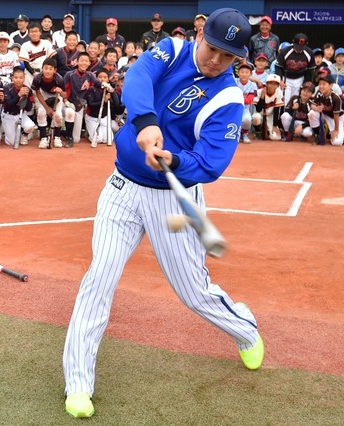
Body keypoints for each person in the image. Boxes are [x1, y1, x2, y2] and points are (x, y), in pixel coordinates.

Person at [62, 8, 263, 419]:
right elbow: (136, 80)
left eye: (228, 57)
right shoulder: (171, 50)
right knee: (99, 277)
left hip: (173, 199)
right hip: (121, 187)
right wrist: (146, 121)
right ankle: (78, 384)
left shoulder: (227, 96)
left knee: (194, 293)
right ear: (200, 32)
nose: (216, 61)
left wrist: (174, 161)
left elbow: (212, 162)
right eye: (212, 49)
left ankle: (245, 330)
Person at [63, 51, 99, 145]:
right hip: (68, 104)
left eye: (86, 61)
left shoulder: (90, 75)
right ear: (77, 62)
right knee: (70, 113)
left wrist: (105, 85)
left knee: (77, 140)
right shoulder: (69, 74)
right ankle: (68, 138)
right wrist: (66, 101)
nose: (84, 63)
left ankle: (66, 133)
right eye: (82, 60)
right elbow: (64, 91)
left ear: (89, 63)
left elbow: (97, 83)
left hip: (80, 106)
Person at [31, 57, 64, 148]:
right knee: (41, 113)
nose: (48, 71)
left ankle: (57, 137)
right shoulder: (38, 78)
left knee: (57, 115)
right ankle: (43, 138)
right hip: (42, 94)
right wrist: (47, 108)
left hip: (56, 95)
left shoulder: (59, 79)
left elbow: (64, 95)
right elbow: (37, 93)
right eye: (45, 68)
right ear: (42, 68)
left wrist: (60, 91)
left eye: (50, 69)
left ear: (55, 70)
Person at [275, 33, 315, 105]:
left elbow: (310, 70)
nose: (299, 49)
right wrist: (279, 79)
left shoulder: (309, 53)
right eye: (297, 46)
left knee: (296, 101)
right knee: (285, 102)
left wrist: (307, 83)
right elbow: (278, 67)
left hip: (300, 79)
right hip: (286, 79)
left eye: (301, 47)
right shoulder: (285, 51)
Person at [1, 67, 36, 146]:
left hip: (20, 114)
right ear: (12, 78)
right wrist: (18, 95)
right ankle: (11, 133)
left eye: (21, 78)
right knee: (11, 143)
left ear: (24, 78)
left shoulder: (27, 90)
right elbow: (9, 105)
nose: (18, 80)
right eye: (16, 77)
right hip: (8, 114)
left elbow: (29, 108)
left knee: (30, 126)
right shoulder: (7, 88)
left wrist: (25, 98)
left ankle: (24, 134)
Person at [309, 74, 344, 145]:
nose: (321, 86)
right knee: (312, 113)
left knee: (337, 142)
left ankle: (327, 130)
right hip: (324, 114)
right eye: (320, 84)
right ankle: (317, 134)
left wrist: (336, 130)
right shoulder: (319, 93)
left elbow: (336, 115)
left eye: (324, 84)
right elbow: (312, 105)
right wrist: (316, 108)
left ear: (331, 85)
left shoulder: (335, 98)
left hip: (335, 118)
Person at [19, 23, 55, 88]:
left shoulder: (46, 43)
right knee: (29, 93)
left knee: (44, 94)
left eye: (36, 31)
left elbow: (52, 58)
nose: (34, 33)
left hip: (44, 72)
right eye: (32, 32)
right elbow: (26, 63)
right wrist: (33, 73)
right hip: (30, 73)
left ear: (40, 32)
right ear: (28, 34)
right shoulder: (25, 45)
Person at [253, 74, 285, 140]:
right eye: (270, 83)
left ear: (278, 86)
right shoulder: (259, 92)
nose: (272, 86)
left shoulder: (279, 92)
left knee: (275, 138)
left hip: (271, 116)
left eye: (275, 84)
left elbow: (277, 110)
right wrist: (262, 97)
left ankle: (267, 131)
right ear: (267, 84)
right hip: (260, 114)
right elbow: (258, 109)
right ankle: (258, 131)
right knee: (256, 117)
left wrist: (275, 125)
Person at [235, 62, 258, 143]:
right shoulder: (234, 81)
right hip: (234, 108)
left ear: (250, 74)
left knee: (247, 119)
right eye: (242, 72)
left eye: (246, 72)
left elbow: (248, 100)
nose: (244, 74)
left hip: (245, 108)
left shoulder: (253, 85)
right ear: (238, 73)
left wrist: (237, 96)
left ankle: (244, 134)